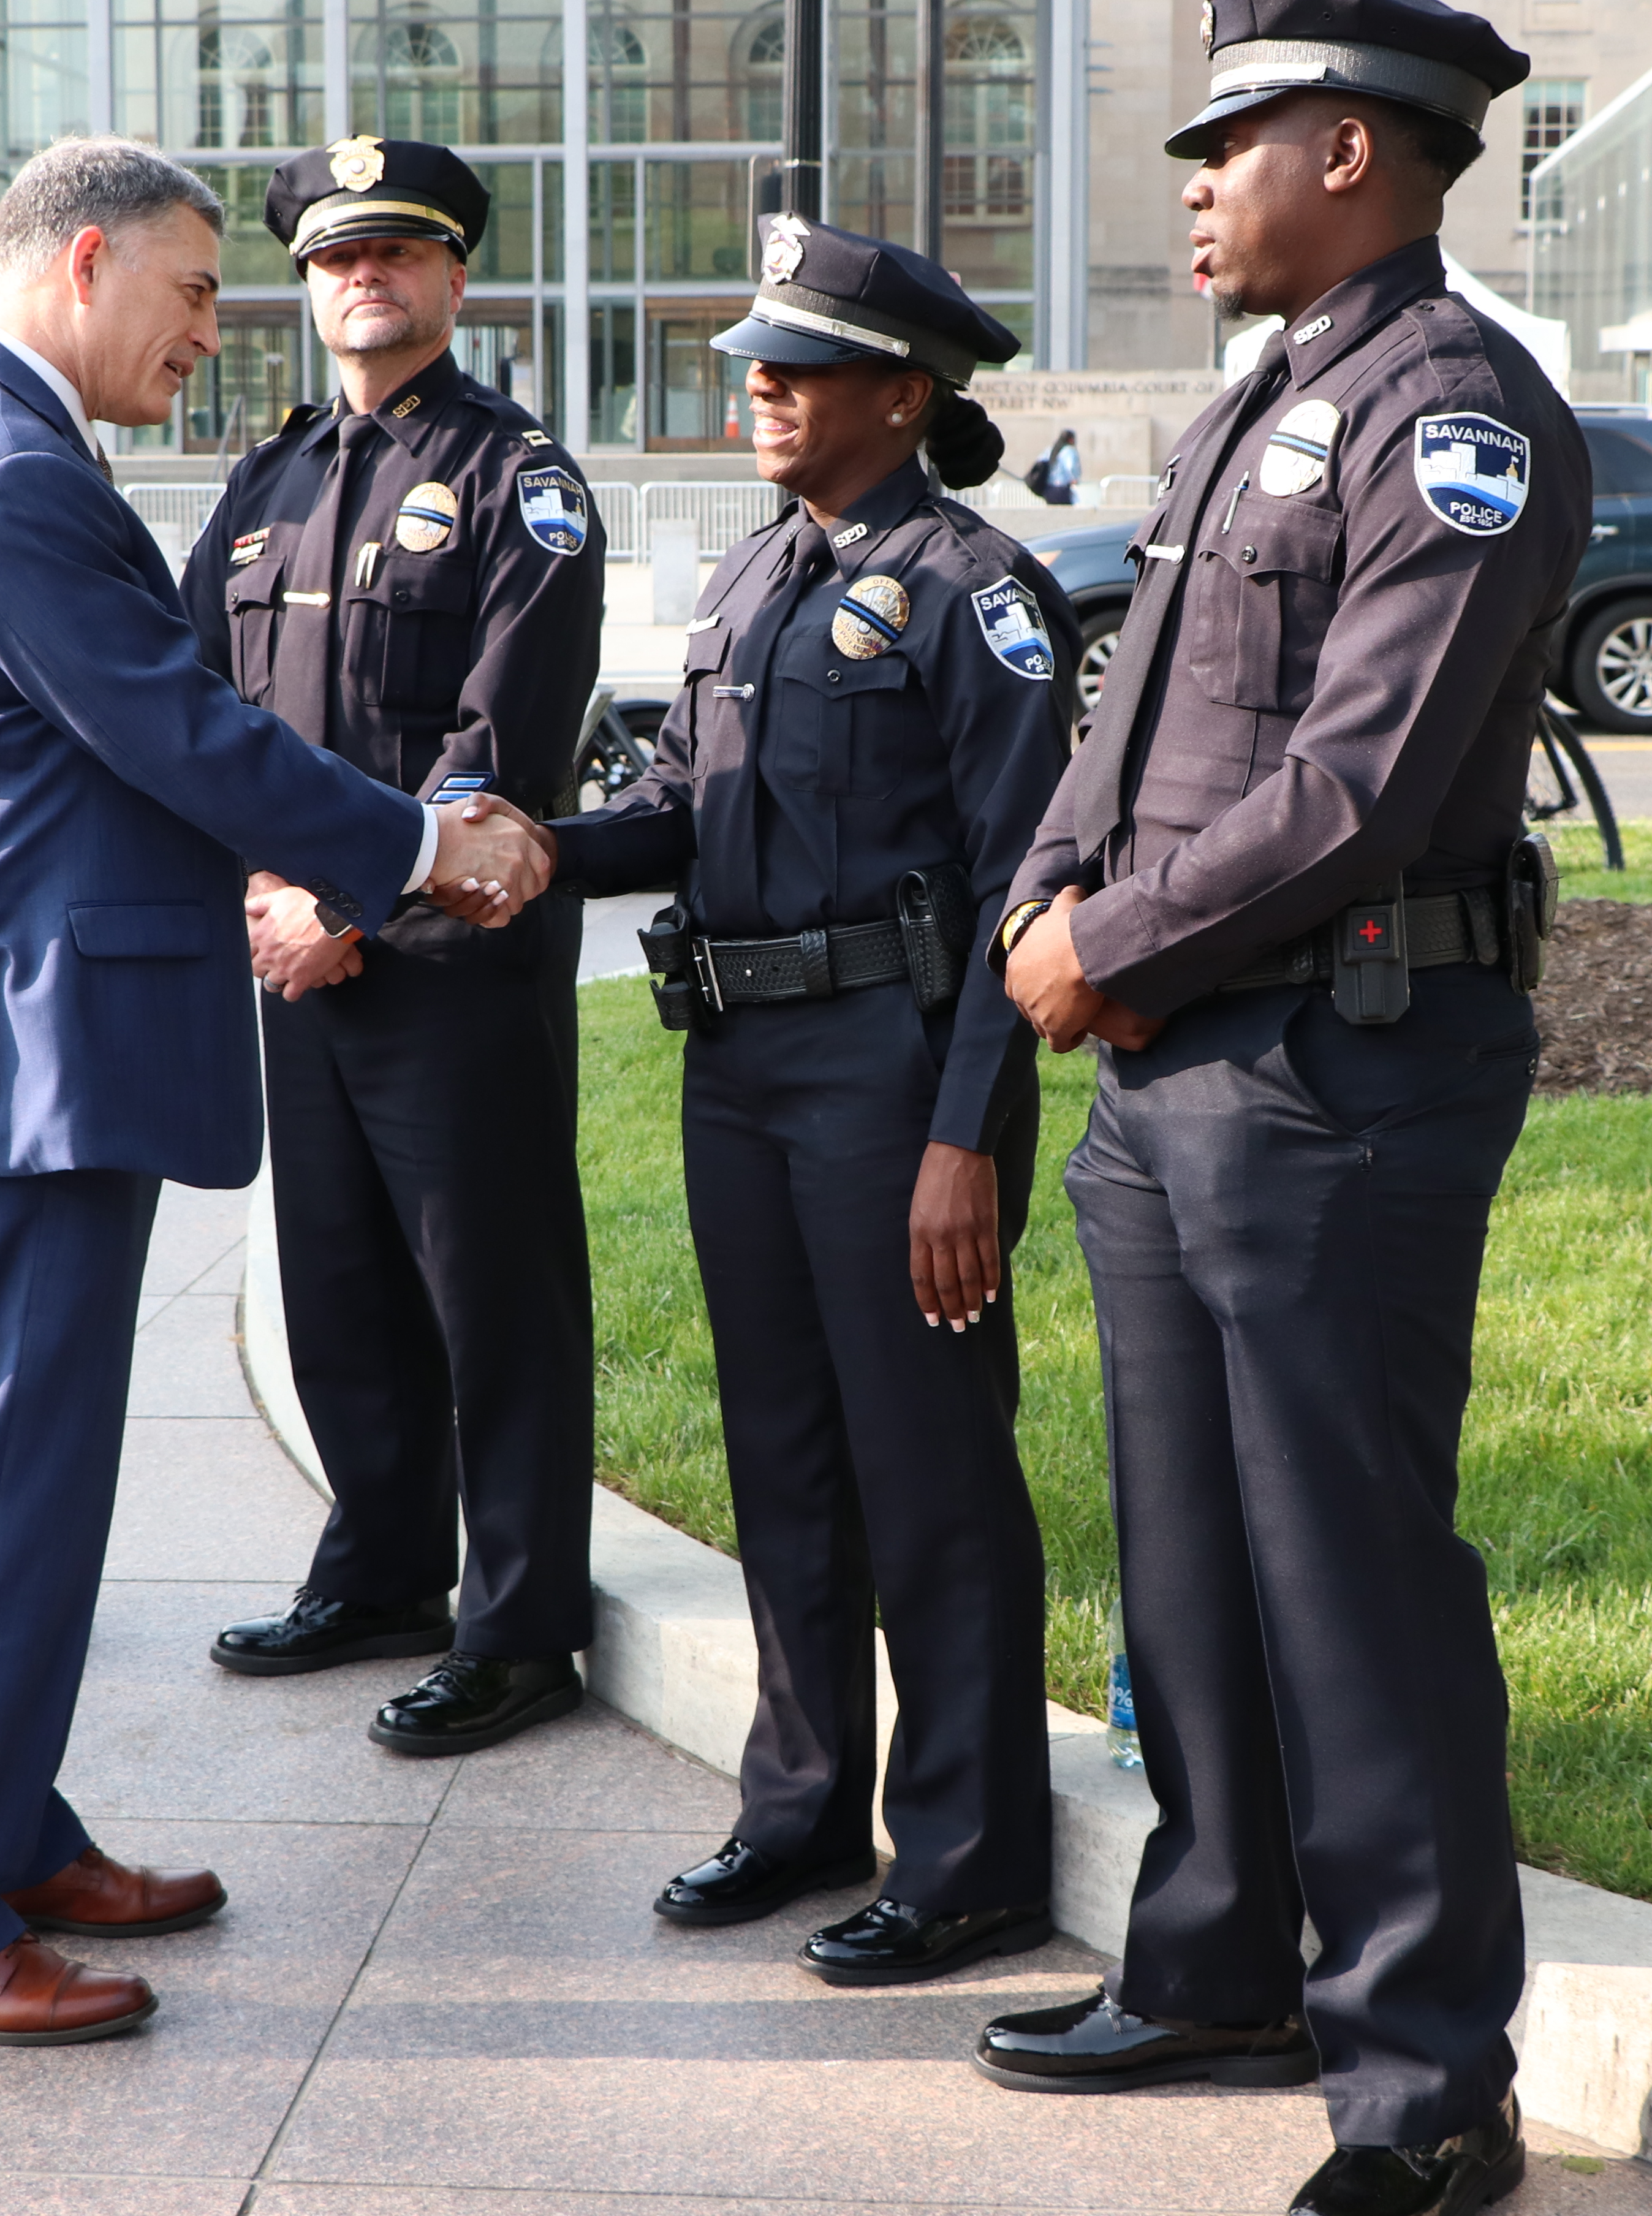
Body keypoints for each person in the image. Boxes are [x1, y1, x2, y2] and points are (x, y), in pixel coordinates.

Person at [0, 136, 554, 2046]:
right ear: (78, 268)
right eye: (193, 288)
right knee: (11, 1492)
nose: (214, 331)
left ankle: (2, 1832)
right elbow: (186, 731)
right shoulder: (5, 476)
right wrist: (418, 846)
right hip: (29, 1044)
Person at [974, 0, 1585, 2216]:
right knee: (1193, 1560)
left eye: (1229, 146)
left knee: (1352, 1575)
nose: (1199, 190)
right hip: (1181, 1071)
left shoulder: (1454, 411)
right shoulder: (1258, 406)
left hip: (1343, 1068)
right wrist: (1058, 888)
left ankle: (1428, 2093)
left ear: (1352, 149)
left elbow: (1358, 783)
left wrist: (1105, 946)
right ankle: (1219, 1957)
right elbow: (1135, 725)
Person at [550, 217, 1075, 1987]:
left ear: (904, 394)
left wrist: (964, 1145)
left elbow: (1025, 886)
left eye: (802, 365)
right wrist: (515, 851)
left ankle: (972, 1850)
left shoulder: (970, 587)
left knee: (929, 1467)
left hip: (895, 1075)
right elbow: (687, 818)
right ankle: (800, 1801)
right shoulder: (751, 579)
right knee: (785, 1447)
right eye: (756, 362)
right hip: (745, 1069)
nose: (761, 388)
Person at [189, 137, 609, 1757]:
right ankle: (378, 1569)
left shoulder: (523, 481)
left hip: (450, 966)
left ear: (454, 278)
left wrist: (352, 903)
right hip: (293, 951)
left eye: (401, 252)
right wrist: (255, 896)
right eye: (335, 257)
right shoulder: (268, 478)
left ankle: (520, 1631)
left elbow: (505, 751)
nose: (366, 277)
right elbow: (192, 706)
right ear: (304, 286)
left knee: (494, 1302)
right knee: (341, 1283)